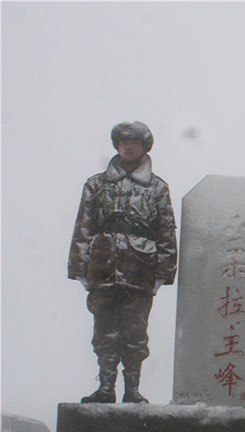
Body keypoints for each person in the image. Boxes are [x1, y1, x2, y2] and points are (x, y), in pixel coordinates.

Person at [68, 121, 177, 403]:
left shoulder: (157, 188)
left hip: (140, 269)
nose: (127, 147)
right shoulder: (96, 184)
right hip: (102, 266)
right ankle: (105, 387)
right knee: (104, 331)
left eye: (134, 144)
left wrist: (163, 273)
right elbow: (83, 227)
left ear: (143, 148)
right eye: (122, 143)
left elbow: (166, 232)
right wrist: (80, 268)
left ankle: (132, 389)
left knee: (135, 333)